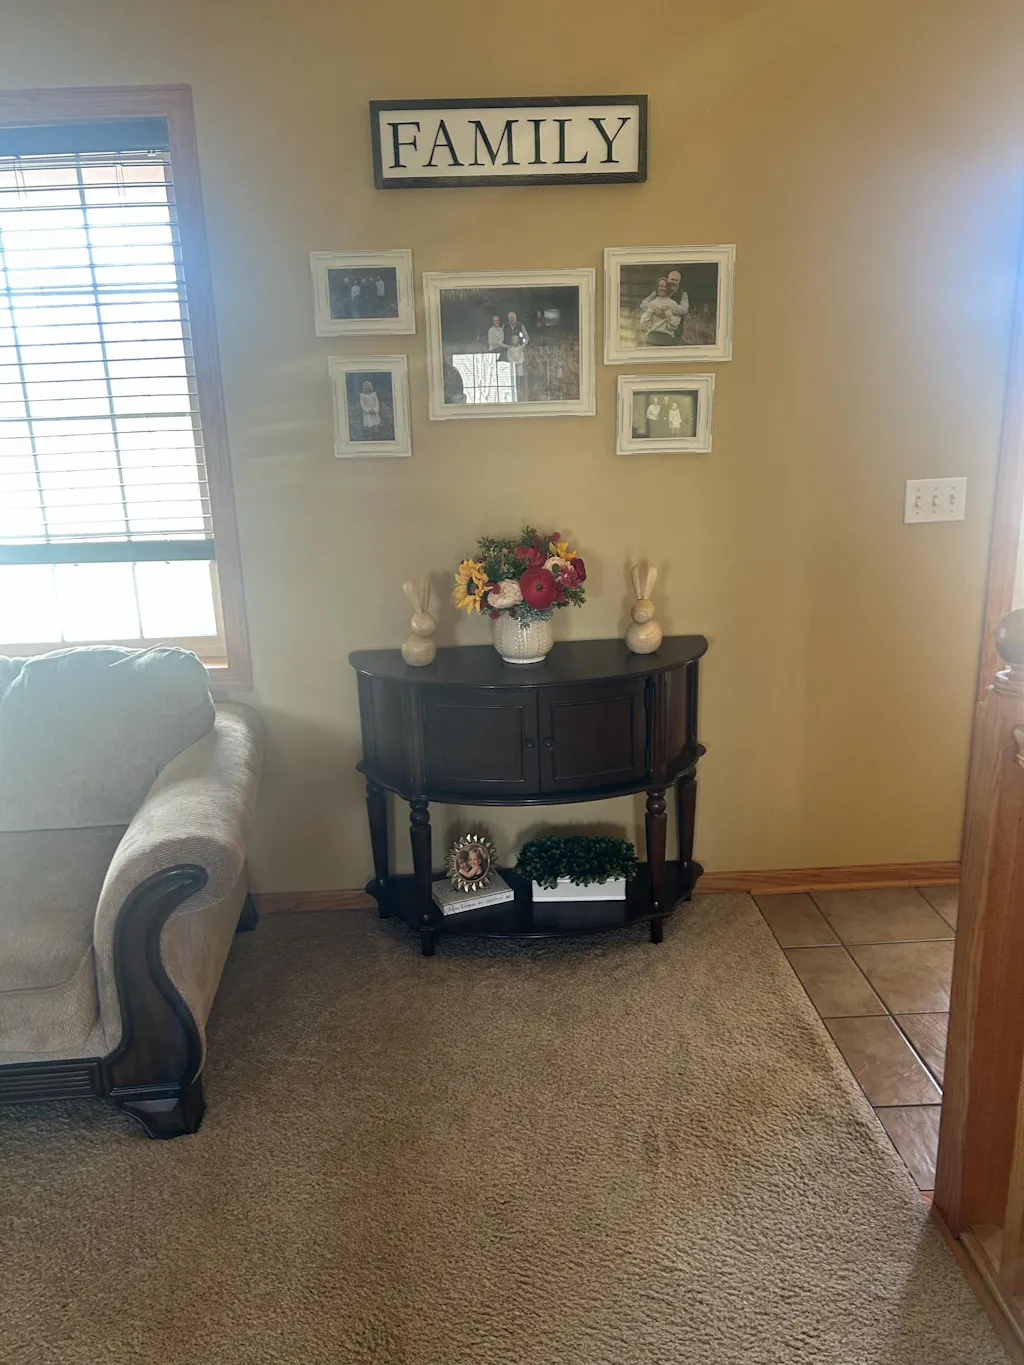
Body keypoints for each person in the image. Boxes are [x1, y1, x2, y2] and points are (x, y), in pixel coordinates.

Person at [639, 277, 687, 347]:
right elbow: (644, 323)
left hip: (667, 339)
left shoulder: (673, 304)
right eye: (661, 286)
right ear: (657, 288)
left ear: (668, 288)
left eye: (665, 286)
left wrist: (668, 313)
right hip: (652, 338)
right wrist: (652, 310)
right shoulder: (652, 303)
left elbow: (674, 325)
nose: (663, 288)